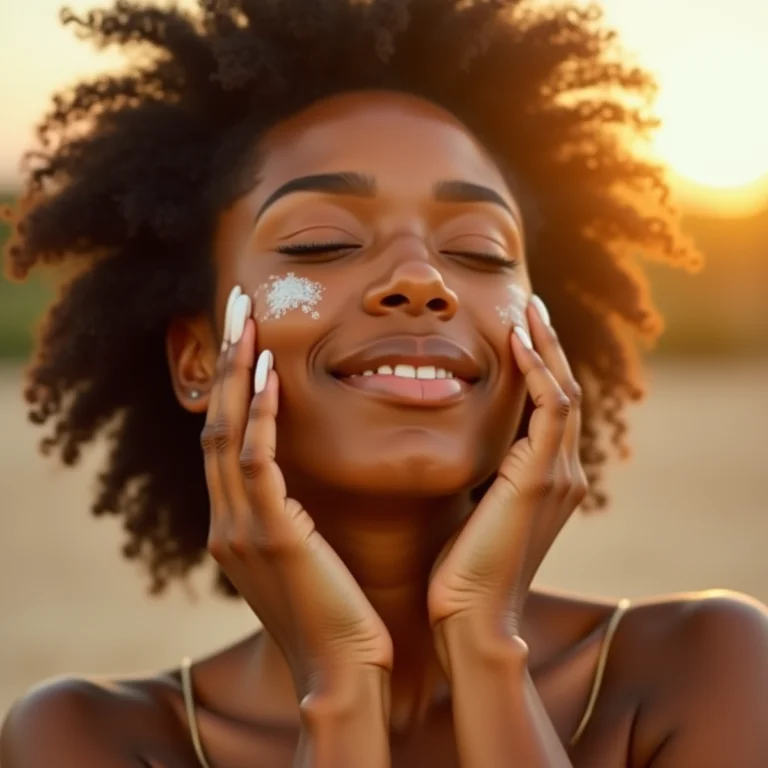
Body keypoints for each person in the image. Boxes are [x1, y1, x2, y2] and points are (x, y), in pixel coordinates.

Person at [2, 0, 767, 765]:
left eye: (479, 250)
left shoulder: (708, 667)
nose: (420, 279)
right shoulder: (87, 741)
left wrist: (485, 641)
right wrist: (338, 684)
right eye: (323, 241)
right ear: (199, 360)